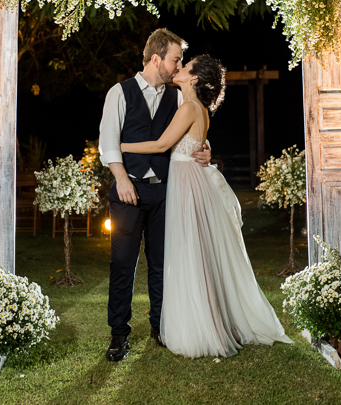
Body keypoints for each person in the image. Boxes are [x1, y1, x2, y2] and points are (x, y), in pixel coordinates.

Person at [121, 55, 292, 358]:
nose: (179, 68)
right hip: (191, 179)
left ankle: (204, 327)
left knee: (191, 252)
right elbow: (195, 140)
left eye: (185, 67)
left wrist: (119, 146)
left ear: (195, 78)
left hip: (187, 183)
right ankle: (207, 320)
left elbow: (162, 145)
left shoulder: (189, 107)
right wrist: (207, 148)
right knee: (197, 253)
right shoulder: (195, 107)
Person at [98, 28, 211, 362]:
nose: (177, 67)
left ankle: (160, 327)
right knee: (122, 265)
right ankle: (119, 334)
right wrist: (121, 178)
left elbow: (193, 132)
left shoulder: (177, 97)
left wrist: (206, 150)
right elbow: (108, 142)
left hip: (165, 194)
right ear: (157, 58)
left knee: (161, 264)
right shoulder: (119, 93)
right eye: (175, 60)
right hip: (128, 192)